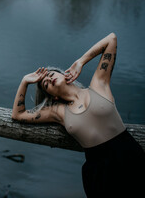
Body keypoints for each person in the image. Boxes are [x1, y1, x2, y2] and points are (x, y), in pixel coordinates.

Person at [11, 32, 145, 197]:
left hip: (130, 157)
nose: (49, 79)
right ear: (53, 96)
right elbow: (18, 114)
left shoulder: (98, 85)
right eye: (45, 84)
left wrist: (81, 61)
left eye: (51, 74)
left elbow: (111, 39)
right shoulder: (58, 111)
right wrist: (24, 81)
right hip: (99, 172)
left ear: (64, 74)